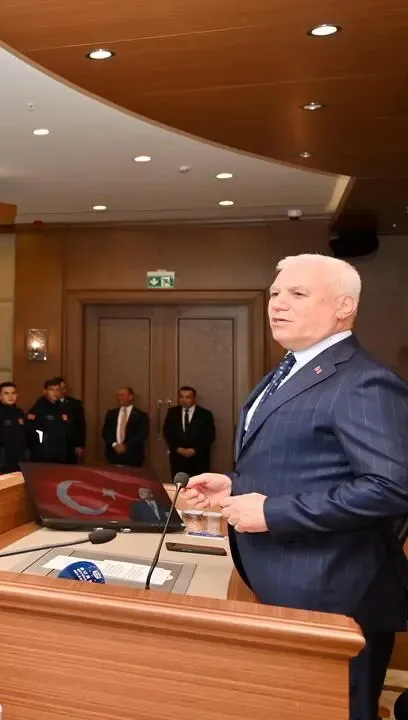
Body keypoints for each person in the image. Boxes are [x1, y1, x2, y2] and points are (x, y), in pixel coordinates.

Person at [183, 254, 408, 720]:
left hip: (334, 591)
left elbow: (391, 487)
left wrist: (272, 513)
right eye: (275, 293)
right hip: (286, 580)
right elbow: (307, 462)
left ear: (344, 306)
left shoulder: (364, 381)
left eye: (297, 294)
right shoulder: (291, 368)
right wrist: (234, 484)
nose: (278, 304)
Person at [162, 386, 216, 478]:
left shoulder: (205, 415)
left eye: (187, 397)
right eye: (181, 397)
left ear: (194, 398)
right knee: (179, 484)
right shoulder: (172, 413)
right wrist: (177, 448)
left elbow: (210, 435)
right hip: (178, 459)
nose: (184, 400)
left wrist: (195, 450)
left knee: (198, 484)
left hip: (199, 459)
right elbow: (167, 432)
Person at [0, 382, 28, 473]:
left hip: (20, 461)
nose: (10, 396)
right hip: (1, 462)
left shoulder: (19, 412)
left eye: (13, 393)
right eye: (6, 393)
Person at [27, 379, 74, 464]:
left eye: (57, 390)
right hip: (44, 454)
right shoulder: (39, 408)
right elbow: (31, 431)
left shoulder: (63, 407)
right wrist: (40, 447)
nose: (55, 392)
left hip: (60, 453)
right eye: (51, 389)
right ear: (45, 391)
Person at [101, 387, 148, 467]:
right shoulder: (111, 413)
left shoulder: (141, 415)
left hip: (133, 455)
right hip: (113, 454)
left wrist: (126, 446)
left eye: (122, 395)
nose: (119, 398)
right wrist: (114, 444)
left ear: (130, 397)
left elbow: (142, 434)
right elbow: (106, 431)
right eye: (118, 395)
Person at [54, 377, 87, 463]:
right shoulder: (47, 402)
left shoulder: (75, 404)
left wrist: (80, 445)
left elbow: (80, 425)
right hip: (53, 447)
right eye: (59, 389)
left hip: (70, 446)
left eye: (64, 388)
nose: (62, 391)